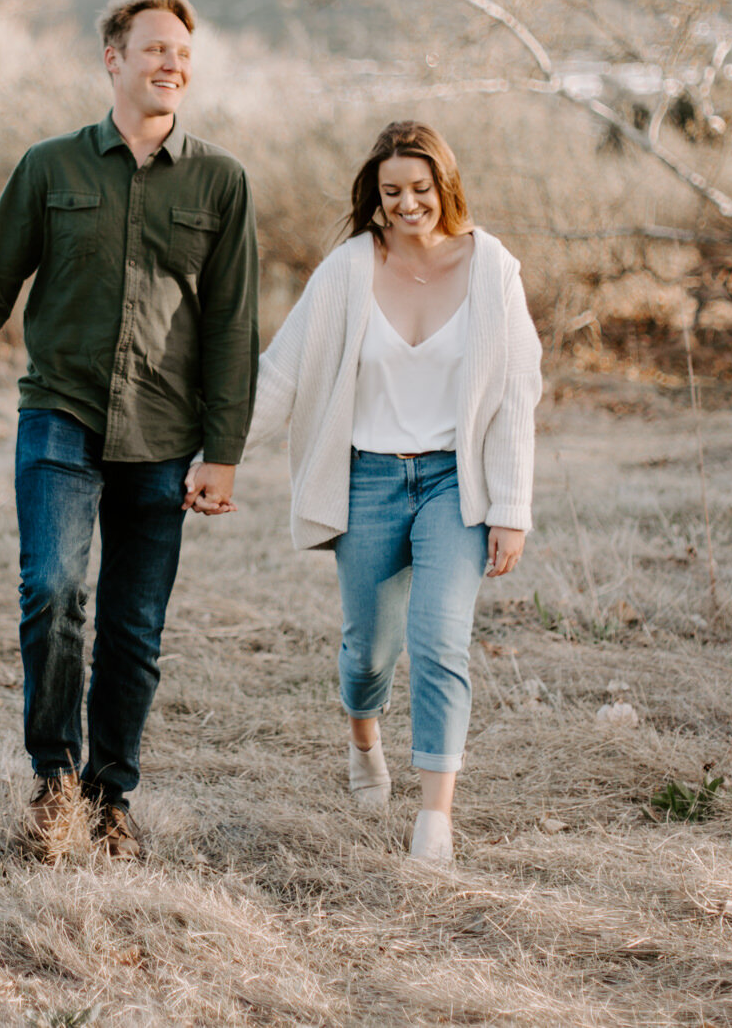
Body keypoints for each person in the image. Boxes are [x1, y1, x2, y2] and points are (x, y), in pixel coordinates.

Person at [0, 0, 257, 860]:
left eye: (184, 55)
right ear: (114, 60)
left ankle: (109, 795)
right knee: (52, 591)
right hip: (60, 414)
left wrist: (226, 451)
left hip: (165, 435)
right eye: (156, 49)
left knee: (134, 629)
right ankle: (54, 780)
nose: (173, 64)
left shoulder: (221, 181)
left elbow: (233, 324)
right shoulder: (50, 168)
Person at [208, 120, 540, 863]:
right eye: (392, 192)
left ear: (444, 186)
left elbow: (518, 390)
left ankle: (434, 822)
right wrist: (218, 455)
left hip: (455, 484)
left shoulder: (493, 269)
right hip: (369, 479)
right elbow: (284, 374)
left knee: (440, 638)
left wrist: (511, 509)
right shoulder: (349, 269)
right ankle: (365, 738)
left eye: (420, 188)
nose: (407, 203)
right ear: (376, 195)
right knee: (369, 652)